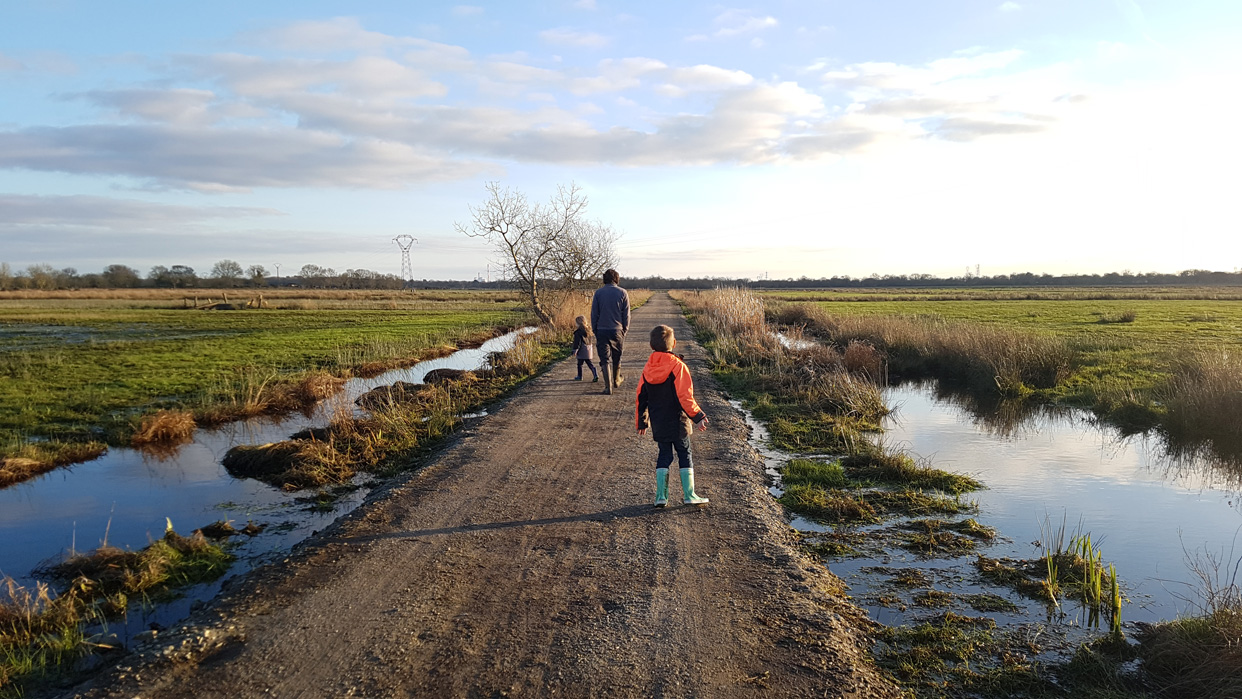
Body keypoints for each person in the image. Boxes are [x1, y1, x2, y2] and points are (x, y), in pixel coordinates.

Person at [635, 324, 709, 507]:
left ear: (651, 346)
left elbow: (640, 397)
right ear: (674, 343)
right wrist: (698, 416)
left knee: (664, 455)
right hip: (678, 421)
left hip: (659, 421)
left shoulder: (647, 368)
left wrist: (642, 422)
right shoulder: (678, 366)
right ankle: (689, 495)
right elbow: (685, 397)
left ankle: (661, 497)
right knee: (684, 453)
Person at [590, 268, 630, 395]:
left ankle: (608, 387)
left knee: (604, 358)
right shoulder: (623, 293)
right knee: (617, 356)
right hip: (617, 330)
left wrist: (595, 328)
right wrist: (625, 329)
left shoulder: (598, 293)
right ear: (616, 279)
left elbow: (594, 314)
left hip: (602, 329)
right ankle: (617, 379)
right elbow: (627, 315)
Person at [570, 315, 599, 382]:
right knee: (589, 363)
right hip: (588, 349)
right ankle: (595, 373)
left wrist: (575, 350)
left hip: (582, 350)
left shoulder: (578, 333)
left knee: (579, 364)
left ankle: (580, 376)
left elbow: (577, 343)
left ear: (578, 323)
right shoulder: (588, 331)